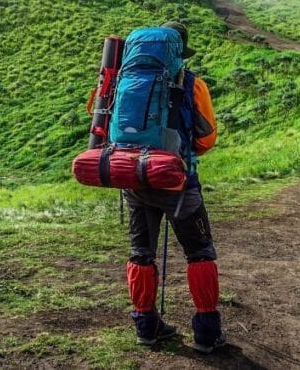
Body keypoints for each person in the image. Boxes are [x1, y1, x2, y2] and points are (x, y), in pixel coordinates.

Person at [124, 21, 225, 353]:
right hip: (177, 182)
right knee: (199, 253)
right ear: (179, 52)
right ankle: (206, 335)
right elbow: (207, 139)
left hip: (133, 176)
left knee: (141, 254)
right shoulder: (193, 84)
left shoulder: (123, 79)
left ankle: (146, 327)